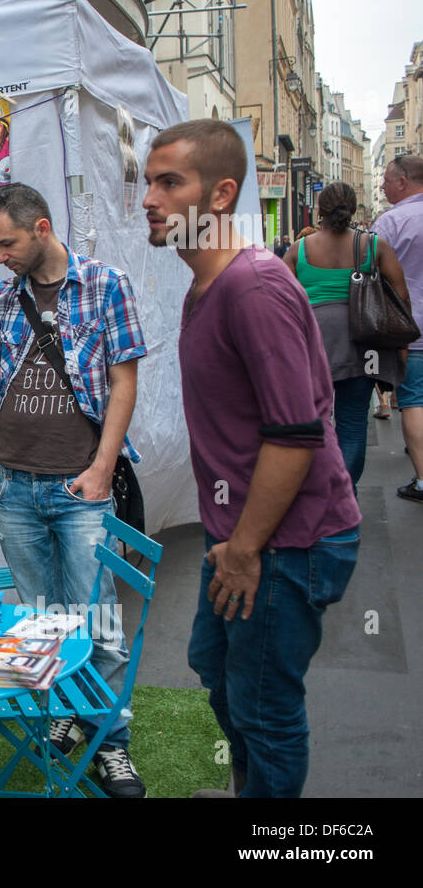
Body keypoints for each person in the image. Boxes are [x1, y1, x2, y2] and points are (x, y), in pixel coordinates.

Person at [143, 119, 360, 798]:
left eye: (168, 182)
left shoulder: (252, 286)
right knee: (214, 664)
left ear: (219, 194)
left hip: (285, 540)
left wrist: (244, 548)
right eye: (147, 181)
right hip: (241, 532)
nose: (148, 198)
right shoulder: (207, 284)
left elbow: (295, 433)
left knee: (265, 705)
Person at [0, 182, 147, 798]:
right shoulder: (0, 298)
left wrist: (100, 468)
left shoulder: (106, 285)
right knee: (44, 622)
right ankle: (66, 713)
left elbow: (124, 384)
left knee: (100, 622)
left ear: (40, 228)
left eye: (5, 242)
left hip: (80, 483)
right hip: (13, 482)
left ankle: (110, 743)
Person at [284, 181, 410, 492]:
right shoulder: (374, 245)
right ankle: (342, 490)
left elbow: (277, 298)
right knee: (354, 423)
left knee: (315, 421)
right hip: (363, 342)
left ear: (319, 210)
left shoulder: (299, 249)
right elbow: (401, 296)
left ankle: (317, 489)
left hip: (312, 343)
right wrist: (402, 345)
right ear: (353, 209)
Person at [376, 154, 423, 502]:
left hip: (411, 327)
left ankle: (422, 481)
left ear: (403, 182)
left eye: (387, 180)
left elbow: (369, 276)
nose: (382, 185)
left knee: (414, 401)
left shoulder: (390, 223)